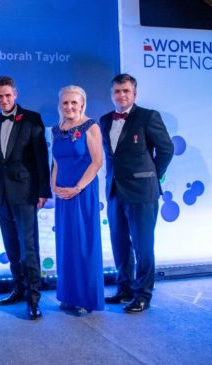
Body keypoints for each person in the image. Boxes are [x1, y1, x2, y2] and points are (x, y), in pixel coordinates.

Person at [100, 73, 174, 313]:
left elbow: (166, 149)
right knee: (120, 243)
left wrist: (152, 174)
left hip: (143, 192)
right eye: (117, 92)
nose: (121, 95)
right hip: (114, 191)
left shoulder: (148, 116)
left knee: (143, 245)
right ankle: (125, 289)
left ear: (134, 94)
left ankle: (143, 294)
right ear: (112, 94)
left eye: (126, 91)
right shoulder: (104, 120)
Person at [0, 76, 51, 320]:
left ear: (15, 95)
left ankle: (34, 298)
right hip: (1, 193)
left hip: (26, 194)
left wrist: (43, 191)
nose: (4, 100)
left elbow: (41, 158)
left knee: (29, 248)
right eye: (0, 96)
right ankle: (18, 287)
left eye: (8, 95)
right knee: (12, 247)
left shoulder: (32, 119)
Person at [51, 85, 104, 316]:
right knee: (66, 244)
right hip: (63, 194)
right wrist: (54, 185)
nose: (70, 107)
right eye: (65, 103)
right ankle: (69, 296)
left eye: (74, 102)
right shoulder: (57, 129)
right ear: (60, 105)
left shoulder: (91, 126)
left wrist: (78, 188)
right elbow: (56, 161)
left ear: (82, 104)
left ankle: (85, 297)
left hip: (82, 193)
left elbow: (96, 162)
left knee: (83, 244)